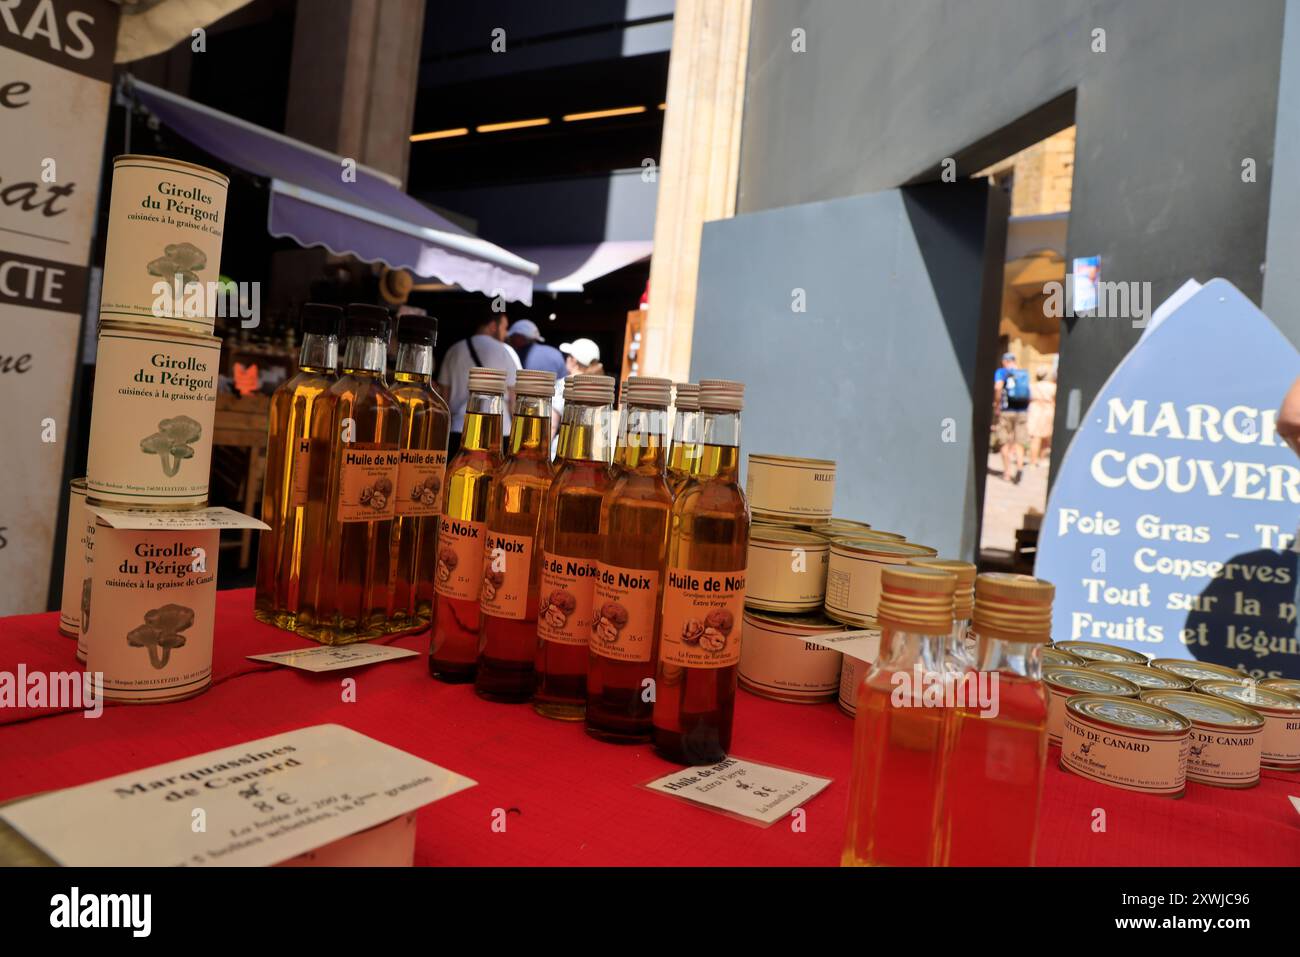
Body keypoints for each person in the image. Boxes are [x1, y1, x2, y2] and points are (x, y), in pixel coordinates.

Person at [438, 313, 520, 456]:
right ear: (493, 326)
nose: (506, 333)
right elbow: (514, 399)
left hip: (460, 429)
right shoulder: (506, 351)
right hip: (498, 431)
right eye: (505, 328)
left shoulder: (454, 350)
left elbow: (444, 399)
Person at [993, 352, 1031, 484]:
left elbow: (998, 387)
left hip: (1006, 410)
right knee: (1019, 441)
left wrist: (997, 404)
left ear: (1004, 361)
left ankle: (1007, 473)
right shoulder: (1023, 373)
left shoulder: (1001, 372)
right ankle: (1020, 467)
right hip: (1021, 411)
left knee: (1004, 440)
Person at [1027, 366, 1057, 468]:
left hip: (1035, 409)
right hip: (1048, 409)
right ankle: (1041, 459)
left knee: (1035, 437)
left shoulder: (1032, 386)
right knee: (1046, 437)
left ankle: (1033, 461)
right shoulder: (1053, 387)